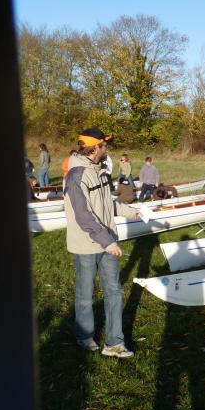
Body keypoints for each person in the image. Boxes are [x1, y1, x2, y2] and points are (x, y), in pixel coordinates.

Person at [64, 127, 139, 358]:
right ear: (94, 147)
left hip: (107, 241)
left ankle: (114, 343)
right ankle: (85, 336)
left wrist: (130, 211)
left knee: (114, 292)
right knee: (86, 294)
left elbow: (107, 203)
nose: (107, 149)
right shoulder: (77, 175)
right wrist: (108, 242)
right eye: (104, 145)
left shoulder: (101, 171)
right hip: (87, 245)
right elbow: (84, 215)